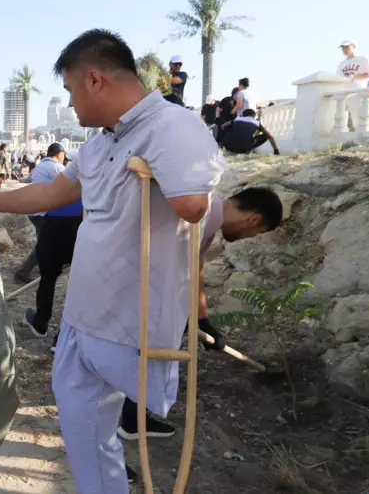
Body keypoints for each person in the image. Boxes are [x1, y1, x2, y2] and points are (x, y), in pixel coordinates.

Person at [0, 29, 227, 492]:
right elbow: (53, 192)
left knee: (110, 423)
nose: (72, 105)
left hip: (129, 320)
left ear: (95, 80)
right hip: (82, 317)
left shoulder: (174, 127)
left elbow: (194, 206)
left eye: (70, 90)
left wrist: (166, 167)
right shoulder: (99, 143)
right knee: (85, 435)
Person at [117, 185, 284, 440]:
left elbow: (196, 270)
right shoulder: (197, 216)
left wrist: (202, 319)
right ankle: (120, 426)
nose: (246, 237)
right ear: (253, 220)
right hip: (134, 292)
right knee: (139, 353)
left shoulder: (206, 218)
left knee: (148, 355)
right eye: (255, 233)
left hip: (151, 296)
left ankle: (131, 418)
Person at [22, 142, 83, 341]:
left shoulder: (55, 170)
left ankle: (41, 322)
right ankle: (63, 336)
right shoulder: (97, 174)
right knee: (78, 282)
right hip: (80, 224)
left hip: (54, 223)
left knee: (48, 277)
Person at [13, 142, 68, 284]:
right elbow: (70, 184)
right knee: (44, 244)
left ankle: (45, 265)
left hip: (35, 210)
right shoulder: (56, 167)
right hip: (43, 212)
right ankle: (22, 272)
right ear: (59, 154)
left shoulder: (40, 166)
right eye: (64, 155)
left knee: (45, 242)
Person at [337, 40, 369, 125]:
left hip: (358, 92)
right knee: (341, 121)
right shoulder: (342, 64)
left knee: (359, 119)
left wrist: (355, 76)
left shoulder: (362, 59)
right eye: (343, 48)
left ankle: (363, 137)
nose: (344, 49)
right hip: (343, 93)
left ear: (353, 47)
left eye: (347, 47)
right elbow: (338, 78)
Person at [216, 109, 281, 155]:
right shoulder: (257, 123)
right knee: (266, 136)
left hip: (228, 146)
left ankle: (221, 144)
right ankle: (247, 147)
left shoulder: (237, 119)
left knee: (227, 127)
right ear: (253, 116)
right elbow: (270, 136)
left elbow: (223, 126)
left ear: (243, 115)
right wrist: (276, 150)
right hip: (243, 150)